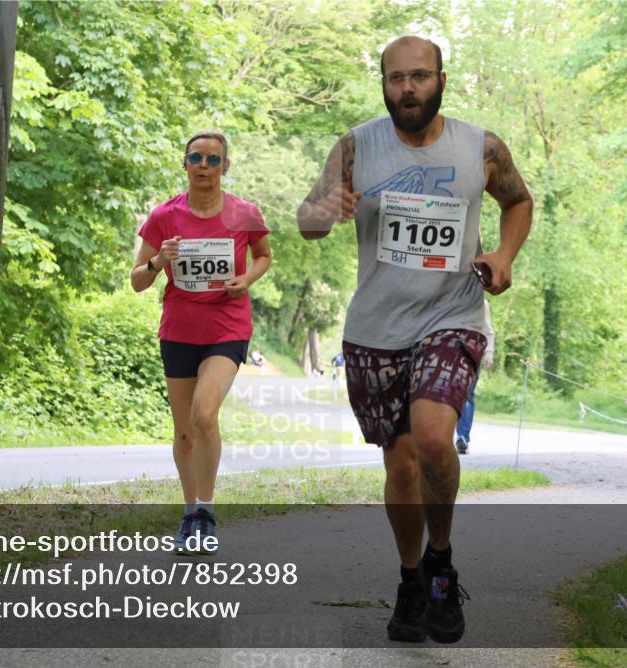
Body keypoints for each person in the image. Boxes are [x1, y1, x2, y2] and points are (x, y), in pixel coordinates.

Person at [297, 36, 532, 644]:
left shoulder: (481, 147)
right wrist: (326, 208)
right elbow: (307, 223)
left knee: (432, 437)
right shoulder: (355, 145)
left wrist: (504, 256)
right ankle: (410, 580)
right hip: (376, 328)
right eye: (396, 78)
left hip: (453, 314)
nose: (408, 88)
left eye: (420, 76)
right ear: (383, 82)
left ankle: (441, 566)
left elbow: (519, 201)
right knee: (400, 467)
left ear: (442, 81)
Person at [131, 130, 272, 555]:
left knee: (204, 414)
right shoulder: (165, 216)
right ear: (185, 164)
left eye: (214, 159)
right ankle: (189, 513)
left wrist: (245, 278)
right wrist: (159, 261)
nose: (205, 166)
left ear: (225, 167)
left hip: (227, 327)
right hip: (179, 330)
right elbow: (138, 281)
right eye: (197, 158)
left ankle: (206, 515)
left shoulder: (244, 213)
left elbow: (264, 255)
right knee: (184, 432)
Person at [454, 300, 495, 455]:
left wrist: (489, 354)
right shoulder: (449, 296)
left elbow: (489, 330)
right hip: (449, 352)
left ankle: (462, 437)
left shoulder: (481, 302)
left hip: (473, 352)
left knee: (467, 395)